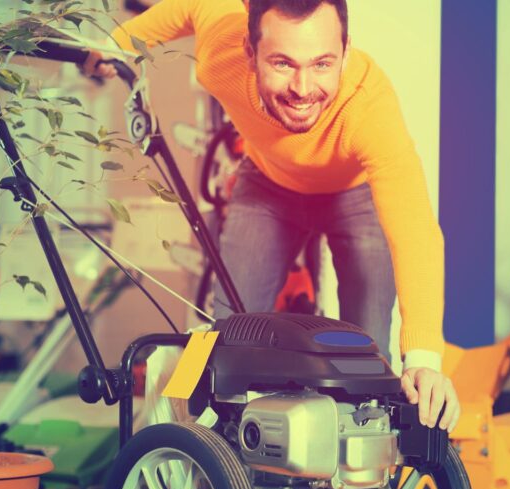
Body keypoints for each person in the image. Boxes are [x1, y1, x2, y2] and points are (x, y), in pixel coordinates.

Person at [85, 0, 460, 431]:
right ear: (249, 49)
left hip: (354, 197)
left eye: (322, 63)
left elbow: (416, 231)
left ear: (346, 49)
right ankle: (198, 439)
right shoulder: (220, 48)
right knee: (226, 332)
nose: (303, 88)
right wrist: (115, 44)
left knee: (368, 352)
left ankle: (361, 463)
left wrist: (426, 359)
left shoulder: (368, 105)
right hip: (268, 186)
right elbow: (189, 7)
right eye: (283, 63)